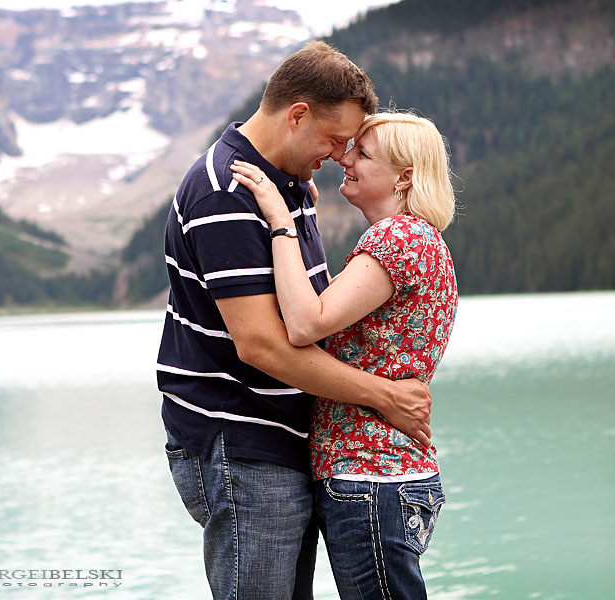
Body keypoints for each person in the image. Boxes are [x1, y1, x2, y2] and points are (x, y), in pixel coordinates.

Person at [156, 42, 434, 599]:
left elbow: (309, 314)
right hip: (243, 444)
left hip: (284, 444)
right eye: (334, 140)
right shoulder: (227, 193)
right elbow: (262, 345)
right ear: (298, 115)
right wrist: (382, 395)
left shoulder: (285, 182)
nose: (338, 156)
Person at [230, 110, 458, 599]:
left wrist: (281, 222)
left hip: (368, 476)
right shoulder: (419, 241)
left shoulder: (397, 239)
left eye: (362, 153)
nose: (344, 159)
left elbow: (306, 322)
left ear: (404, 176)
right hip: (387, 476)